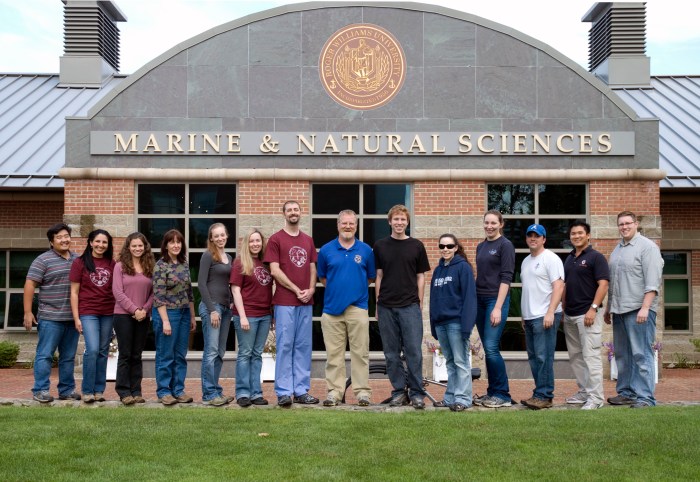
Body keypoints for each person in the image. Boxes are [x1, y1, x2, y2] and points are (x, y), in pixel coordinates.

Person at [373, 204, 431, 409]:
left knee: (414, 351)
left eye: (402, 219)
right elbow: (379, 276)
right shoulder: (380, 246)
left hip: (409, 306)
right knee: (391, 353)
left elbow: (421, 276)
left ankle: (416, 393)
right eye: (396, 219)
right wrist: (377, 304)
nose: (399, 223)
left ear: (407, 222)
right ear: (390, 222)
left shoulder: (416, 246)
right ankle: (399, 392)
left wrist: (419, 302)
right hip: (386, 306)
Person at [604, 211, 664, 408]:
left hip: (639, 310)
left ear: (636, 224)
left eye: (628, 223)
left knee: (641, 354)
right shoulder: (617, 250)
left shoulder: (648, 247)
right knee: (623, 355)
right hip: (619, 311)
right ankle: (626, 393)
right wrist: (608, 308)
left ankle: (645, 397)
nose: (624, 227)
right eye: (621, 224)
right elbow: (613, 283)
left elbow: (653, 281)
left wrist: (645, 308)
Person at [317, 210, 376, 407]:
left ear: (356, 226)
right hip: (332, 310)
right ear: (338, 225)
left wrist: (353, 291)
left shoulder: (366, 250)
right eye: (344, 223)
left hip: (357, 308)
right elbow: (323, 278)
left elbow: (370, 277)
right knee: (334, 355)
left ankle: (362, 393)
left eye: (351, 223)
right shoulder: (326, 250)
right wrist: (339, 291)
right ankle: (335, 392)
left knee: (360, 353)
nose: (348, 226)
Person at [264, 201, 319, 407]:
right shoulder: (276, 239)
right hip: (285, 301)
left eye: (296, 209)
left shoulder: (308, 240)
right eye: (289, 210)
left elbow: (312, 268)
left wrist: (311, 289)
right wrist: (297, 290)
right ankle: (284, 392)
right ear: (284, 214)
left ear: (300, 213)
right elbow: (274, 270)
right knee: (285, 345)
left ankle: (301, 390)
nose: (293, 213)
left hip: (306, 301)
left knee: (303, 346)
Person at [23, 223, 80, 403]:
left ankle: (66, 390)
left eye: (66, 236)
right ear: (51, 242)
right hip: (50, 318)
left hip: (72, 318)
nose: (64, 240)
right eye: (59, 237)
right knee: (45, 355)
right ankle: (40, 390)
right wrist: (27, 312)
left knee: (68, 357)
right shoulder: (43, 260)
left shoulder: (78, 259)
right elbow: (30, 284)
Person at [562, 220, 609, 410]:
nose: (577, 236)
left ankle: (596, 398)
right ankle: (584, 391)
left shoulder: (596, 257)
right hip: (570, 315)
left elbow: (603, 284)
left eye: (580, 233)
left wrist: (593, 308)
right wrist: (563, 308)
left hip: (588, 314)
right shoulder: (569, 258)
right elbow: (565, 286)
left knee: (591, 357)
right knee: (576, 357)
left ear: (588, 235)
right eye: (573, 234)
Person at [429, 234, 477, 412]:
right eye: (442, 246)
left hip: (456, 323)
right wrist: (433, 324)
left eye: (449, 246)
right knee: (449, 362)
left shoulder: (463, 267)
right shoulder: (438, 270)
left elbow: (470, 298)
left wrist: (467, 326)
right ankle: (450, 398)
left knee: (461, 362)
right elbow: (433, 299)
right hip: (441, 323)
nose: (445, 249)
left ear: (456, 247)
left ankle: (463, 399)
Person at [520, 224, 564, 410]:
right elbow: (528, 290)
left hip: (545, 315)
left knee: (543, 357)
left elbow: (559, 286)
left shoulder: (551, 258)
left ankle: (545, 395)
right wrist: (523, 316)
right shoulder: (525, 261)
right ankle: (539, 393)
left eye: (537, 236)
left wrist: (550, 312)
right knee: (534, 357)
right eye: (530, 235)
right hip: (530, 316)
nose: (533, 238)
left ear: (544, 239)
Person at [474, 210, 515, 409]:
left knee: (491, 348)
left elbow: (506, 277)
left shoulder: (505, 245)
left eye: (493, 223)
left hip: (495, 301)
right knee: (488, 348)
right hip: (480, 301)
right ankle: (492, 392)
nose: (489, 226)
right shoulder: (481, 246)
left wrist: (497, 307)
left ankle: (502, 394)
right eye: (486, 223)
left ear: (501, 224)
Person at [69, 229, 115, 404]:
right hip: (88, 312)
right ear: (90, 243)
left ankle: (99, 390)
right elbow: (74, 292)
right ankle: (87, 390)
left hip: (108, 312)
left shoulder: (112, 264)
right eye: (97, 241)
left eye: (104, 242)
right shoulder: (79, 263)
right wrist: (76, 318)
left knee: (103, 351)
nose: (101, 245)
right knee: (93, 349)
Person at [152, 229, 196, 406]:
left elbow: (189, 293)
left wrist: (192, 316)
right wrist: (165, 321)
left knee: (180, 354)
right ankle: (164, 391)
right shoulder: (161, 266)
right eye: (172, 242)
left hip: (184, 313)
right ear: (166, 245)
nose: (176, 245)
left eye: (179, 242)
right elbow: (158, 297)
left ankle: (178, 390)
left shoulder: (184, 264)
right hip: (167, 313)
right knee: (166, 354)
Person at [231, 228, 273, 407]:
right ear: (246, 243)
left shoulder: (266, 263)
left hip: (264, 315)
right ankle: (242, 393)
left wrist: (271, 314)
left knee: (257, 355)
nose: (255, 244)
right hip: (247, 314)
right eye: (252, 241)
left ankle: (256, 393)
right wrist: (242, 316)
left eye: (258, 240)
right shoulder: (240, 262)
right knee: (245, 354)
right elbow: (235, 290)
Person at [112, 232, 155, 405]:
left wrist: (144, 309)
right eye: (134, 245)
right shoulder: (120, 266)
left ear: (145, 247)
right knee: (125, 354)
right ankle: (124, 391)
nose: (137, 248)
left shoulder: (149, 266)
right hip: (123, 315)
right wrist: (134, 309)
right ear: (128, 247)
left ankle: (136, 391)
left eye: (140, 245)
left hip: (143, 316)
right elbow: (117, 292)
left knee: (137, 355)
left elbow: (154, 293)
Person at [198, 223, 233, 407]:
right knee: (211, 351)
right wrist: (212, 309)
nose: (220, 238)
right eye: (216, 236)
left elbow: (229, 284)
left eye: (222, 235)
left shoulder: (229, 257)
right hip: (212, 307)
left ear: (226, 235)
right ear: (211, 238)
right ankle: (208, 394)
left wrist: (231, 302)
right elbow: (201, 284)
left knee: (220, 352)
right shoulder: (207, 255)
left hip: (226, 309)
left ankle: (216, 390)